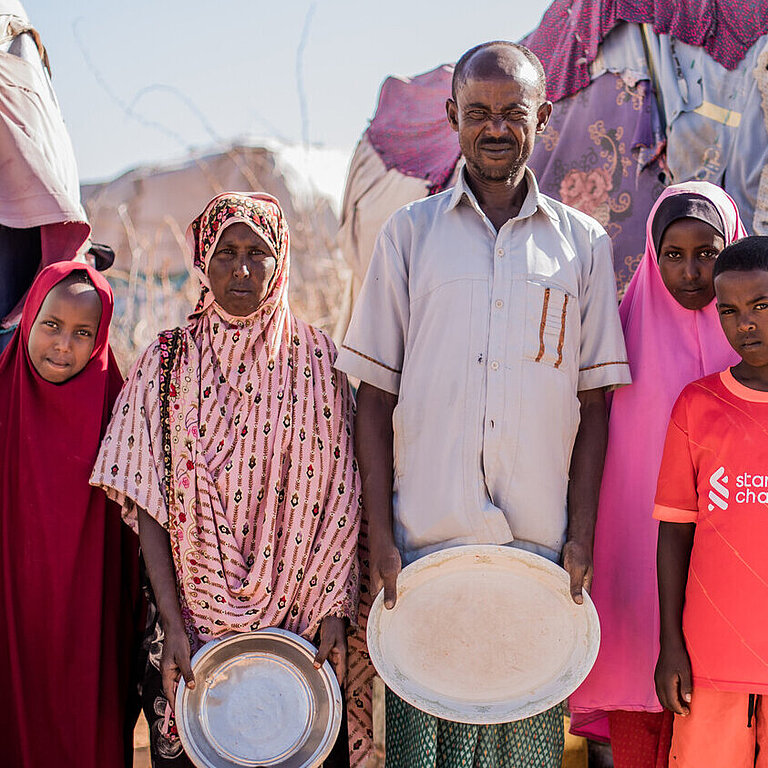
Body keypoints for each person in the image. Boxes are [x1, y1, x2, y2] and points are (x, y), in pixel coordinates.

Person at [335, 41, 630, 767]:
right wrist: (381, 539)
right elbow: (373, 399)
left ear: (544, 117)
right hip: (425, 554)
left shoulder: (583, 247)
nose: (495, 129)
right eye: (477, 114)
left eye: (512, 114)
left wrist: (581, 533)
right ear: (452, 117)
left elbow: (596, 405)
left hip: (536, 558)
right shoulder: (410, 236)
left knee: (523, 747)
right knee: (423, 751)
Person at [91, 192, 369, 766]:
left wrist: (333, 615)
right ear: (202, 258)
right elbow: (147, 506)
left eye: (257, 252)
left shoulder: (318, 361)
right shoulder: (165, 365)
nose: (241, 269)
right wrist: (171, 624)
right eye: (225, 251)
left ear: (280, 260)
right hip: (194, 637)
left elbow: (342, 500)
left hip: (303, 639)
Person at [569, 182, 747, 766]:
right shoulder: (620, 342)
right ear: (651, 255)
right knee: (644, 731)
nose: (692, 271)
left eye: (709, 252)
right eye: (674, 254)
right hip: (640, 574)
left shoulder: (755, 345)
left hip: (738, 577)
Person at [0, 261, 140, 768]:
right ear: (29, 319)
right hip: (11, 607)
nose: (63, 345)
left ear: (101, 339)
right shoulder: (3, 396)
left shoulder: (118, 408)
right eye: (51, 325)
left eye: (83, 333)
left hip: (90, 615)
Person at [653, 236, 768, 767]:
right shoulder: (698, 406)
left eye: (762, 306)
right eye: (730, 311)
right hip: (711, 658)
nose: (746, 323)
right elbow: (674, 532)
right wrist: (670, 643)